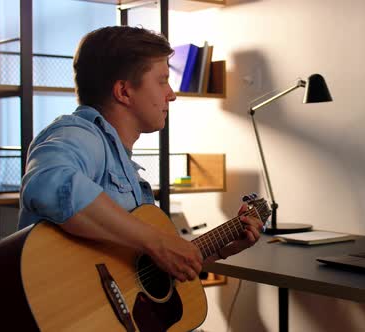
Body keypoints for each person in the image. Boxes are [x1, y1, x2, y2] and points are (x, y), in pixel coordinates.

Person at [17, 26, 263, 283]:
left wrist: (220, 249)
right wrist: (156, 241)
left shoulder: (125, 166)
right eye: (162, 80)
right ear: (124, 91)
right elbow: (49, 183)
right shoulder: (78, 133)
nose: (172, 95)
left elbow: (140, 274)